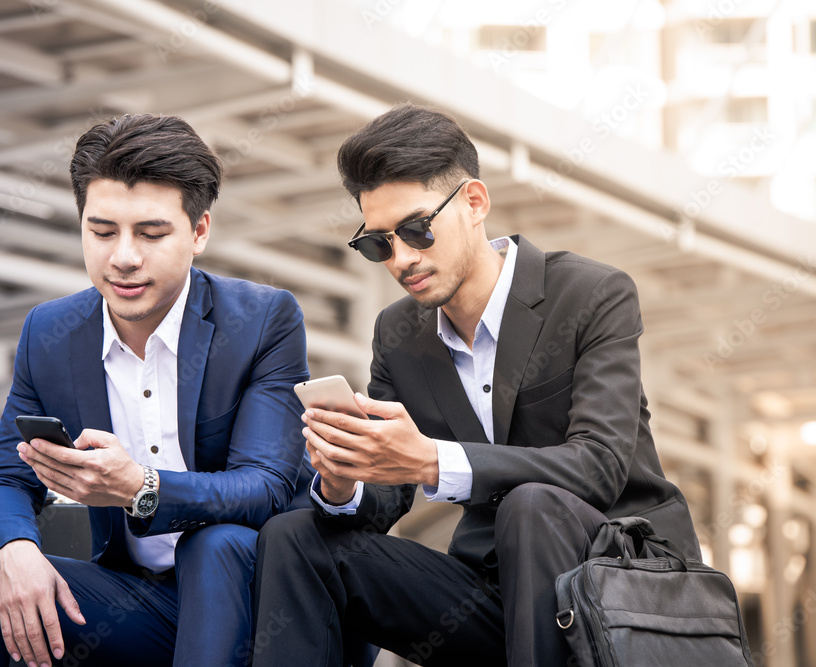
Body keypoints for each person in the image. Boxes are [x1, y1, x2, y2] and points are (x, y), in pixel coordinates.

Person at [251, 104, 701, 667]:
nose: (403, 258)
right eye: (379, 243)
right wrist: (345, 479)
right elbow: (386, 498)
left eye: (417, 229)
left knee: (531, 505)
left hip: (621, 588)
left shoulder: (591, 294)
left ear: (474, 203)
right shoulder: (398, 332)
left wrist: (432, 461)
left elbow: (600, 465)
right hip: (491, 597)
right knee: (296, 538)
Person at [0, 113, 312, 667]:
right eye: (102, 232)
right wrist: (15, 550)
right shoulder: (50, 334)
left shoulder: (264, 320)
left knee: (214, 544)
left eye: (151, 234)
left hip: (263, 605)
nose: (123, 257)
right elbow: (5, 476)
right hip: (145, 603)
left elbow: (264, 488)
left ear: (199, 232)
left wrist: (141, 487)